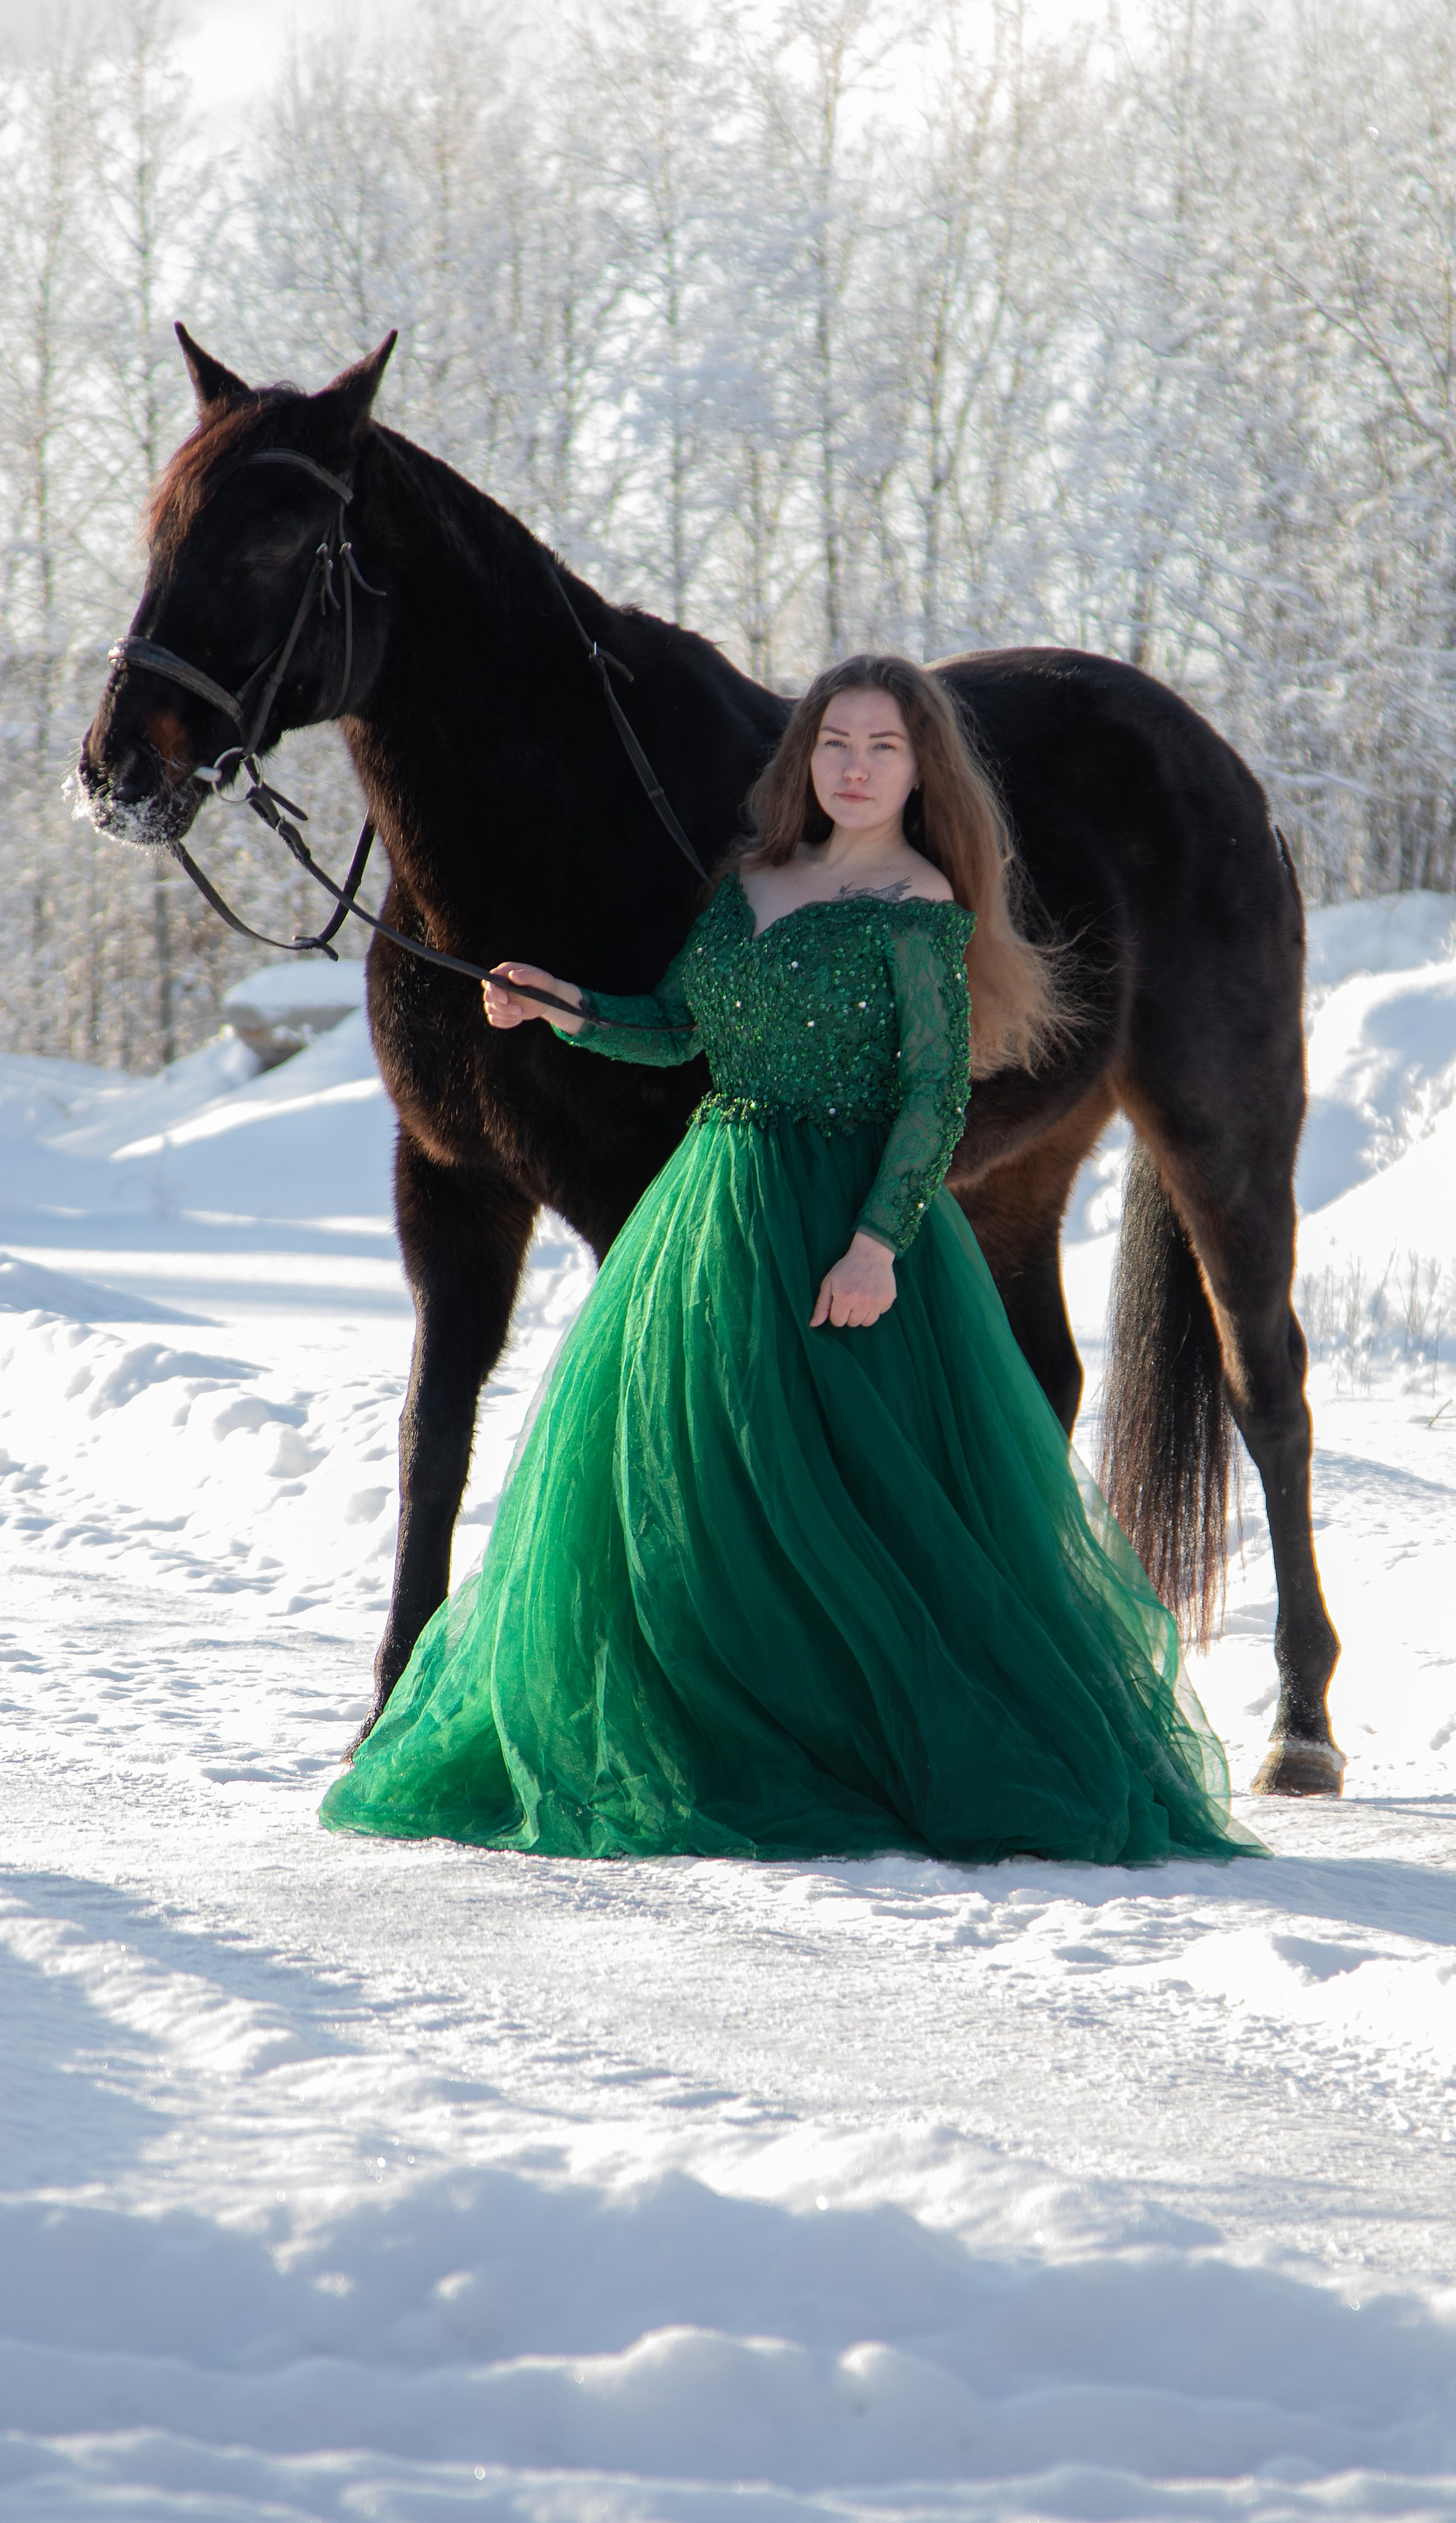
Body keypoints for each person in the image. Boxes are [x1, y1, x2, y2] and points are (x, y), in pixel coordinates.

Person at [320, 656, 1261, 1867]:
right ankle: (710, 1725)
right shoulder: (752, 882)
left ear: (921, 771)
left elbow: (931, 1098)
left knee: (855, 1500)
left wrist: (877, 1246)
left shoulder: (921, 903)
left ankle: (851, 1744)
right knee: (702, 1477)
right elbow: (678, 1032)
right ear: (805, 762)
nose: (856, 768)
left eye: (882, 748)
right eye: (835, 745)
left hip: (847, 1219)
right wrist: (563, 1006)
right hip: (715, 1207)